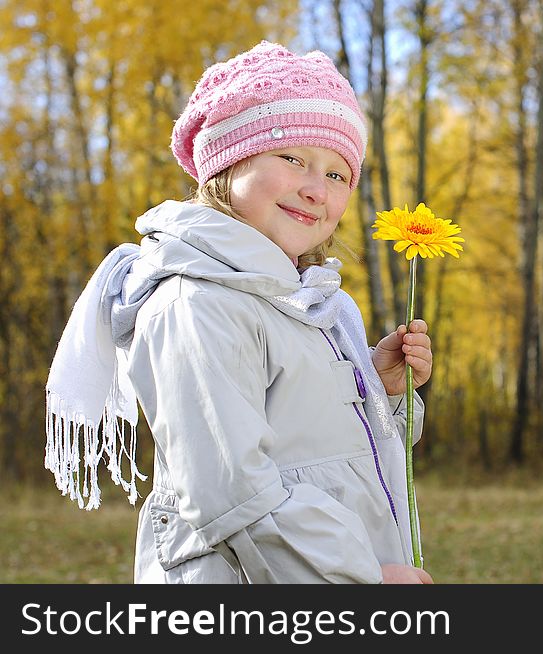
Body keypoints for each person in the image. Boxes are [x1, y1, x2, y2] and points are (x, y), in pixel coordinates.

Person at [44, 41, 434, 584]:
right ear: (229, 162)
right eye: (293, 158)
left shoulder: (308, 304)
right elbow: (232, 494)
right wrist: (364, 579)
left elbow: (327, 455)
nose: (315, 189)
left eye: (338, 174)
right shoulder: (199, 303)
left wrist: (382, 392)